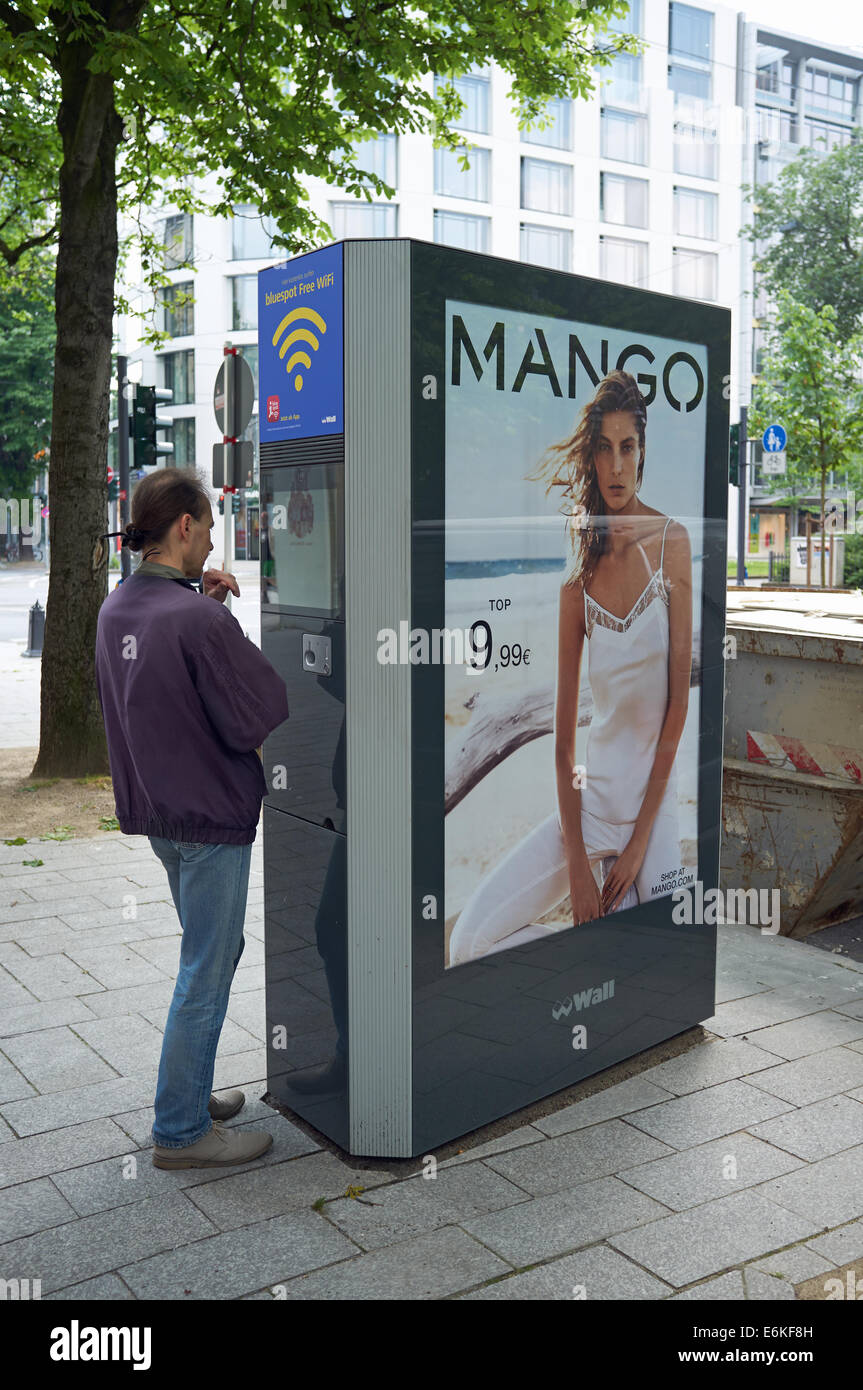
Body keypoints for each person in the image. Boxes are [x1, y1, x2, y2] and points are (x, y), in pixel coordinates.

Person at [448, 370, 693, 966]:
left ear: (642, 452)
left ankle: (598, 951)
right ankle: (576, 952)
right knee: (468, 942)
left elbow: (677, 708)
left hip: (652, 817)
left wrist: (636, 847)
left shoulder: (671, 542)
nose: (616, 465)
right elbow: (562, 746)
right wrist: (581, 868)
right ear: (591, 457)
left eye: (627, 447)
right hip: (590, 810)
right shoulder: (577, 577)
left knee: (656, 962)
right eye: (604, 448)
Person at [95, 467, 290, 1168]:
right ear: (184, 525)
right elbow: (257, 710)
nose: (211, 541)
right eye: (207, 527)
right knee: (206, 967)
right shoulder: (198, 617)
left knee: (210, 955)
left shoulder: (118, 607)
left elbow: (166, 686)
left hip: (159, 816)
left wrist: (206, 610)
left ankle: (189, 1084)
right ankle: (180, 1130)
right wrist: (219, 617)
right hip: (210, 817)